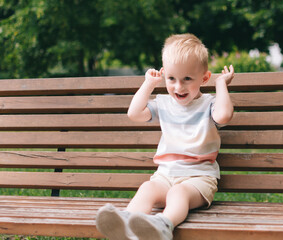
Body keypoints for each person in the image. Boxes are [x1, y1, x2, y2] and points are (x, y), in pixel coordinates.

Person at [96, 33, 234, 240]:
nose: (179, 87)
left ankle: (163, 224)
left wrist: (221, 83)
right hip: (165, 176)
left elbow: (224, 115)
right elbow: (134, 114)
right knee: (147, 188)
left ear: (204, 78)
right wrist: (149, 84)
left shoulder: (209, 104)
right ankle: (125, 223)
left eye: (187, 79)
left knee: (178, 193)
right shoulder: (163, 103)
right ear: (164, 75)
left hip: (198, 179)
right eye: (171, 79)